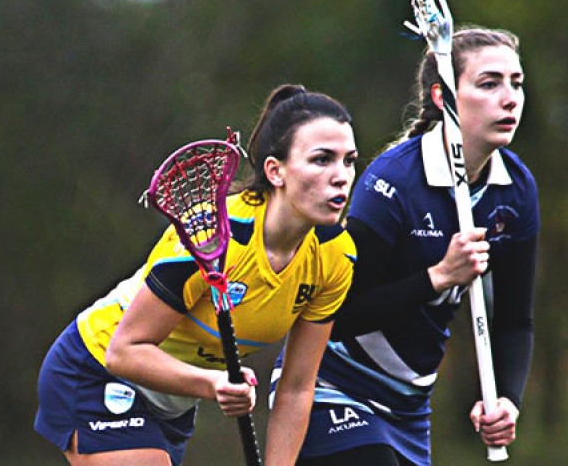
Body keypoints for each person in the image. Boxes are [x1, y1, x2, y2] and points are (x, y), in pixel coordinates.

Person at [34, 84, 359, 465]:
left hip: (172, 404)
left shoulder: (336, 256)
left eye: (349, 160)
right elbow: (123, 352)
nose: (341, 176)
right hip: (96, 370)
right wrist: (213, 383)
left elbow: (297, 387)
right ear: (275, 171)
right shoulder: (212, 235)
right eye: (322, 160)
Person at [271, 27, 539, 465]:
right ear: (442, 96)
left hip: (409, 406)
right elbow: (340, 315)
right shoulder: (394, 181)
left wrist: (507, 398)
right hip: (333, 385)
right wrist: (439, 277)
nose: (509, 98)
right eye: (489, 83)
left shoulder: (516, 189)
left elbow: (515, 318)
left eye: (516, 83)